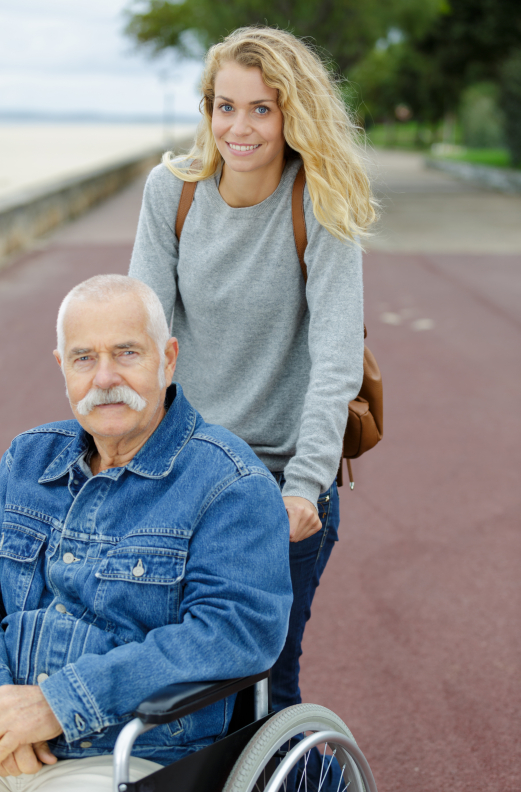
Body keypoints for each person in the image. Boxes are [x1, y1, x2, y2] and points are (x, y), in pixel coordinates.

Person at [129, 26, 376, 718]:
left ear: (292, 114)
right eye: (225, 105)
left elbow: (336, 360)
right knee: (171, 683)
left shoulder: (318, 200)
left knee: (265, 683)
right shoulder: (171, 192)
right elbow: (140, 335)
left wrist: (304, 488)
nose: (239, 127)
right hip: (184, 475)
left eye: (262, 108)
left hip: (278, 483)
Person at [0, 274, 292, 791]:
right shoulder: (26, 460)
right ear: (62, 367)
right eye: (84, 358)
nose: (104, 377)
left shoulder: (229, 484)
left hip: (139, 752)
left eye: (127, 353)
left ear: (169, 357)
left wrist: (57, 704)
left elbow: (234, 633)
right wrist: (8, 717)